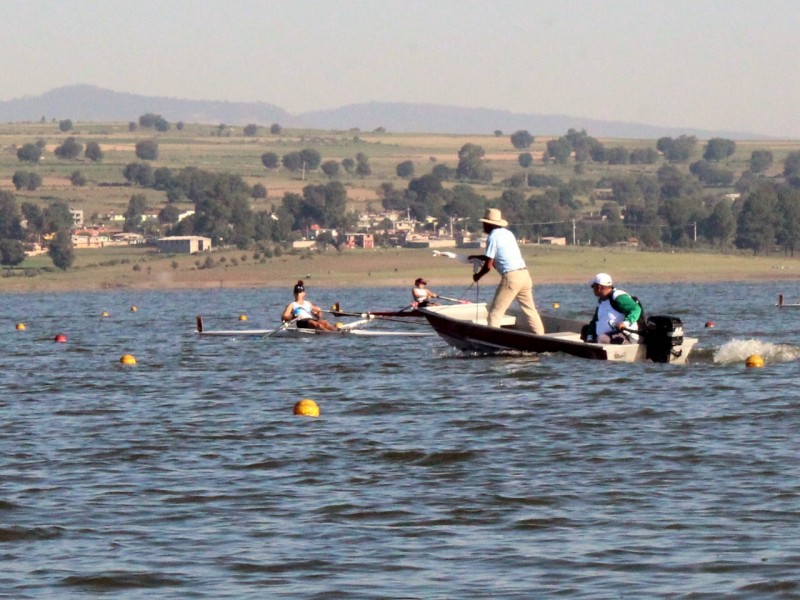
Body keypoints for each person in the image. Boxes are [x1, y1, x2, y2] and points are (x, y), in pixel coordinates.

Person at [467, 208, 545, 334]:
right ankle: (542, 338)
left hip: (511, 278)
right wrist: (477, 257)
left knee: (494, 314)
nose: (483, 226)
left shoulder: (492, 237)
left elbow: (488, 265)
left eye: (484, 223)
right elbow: (498, 257)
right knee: (530, 310)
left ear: (488, 224)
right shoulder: (508, 234)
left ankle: (493, 341)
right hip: (524, 275)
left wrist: (478, 276)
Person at [584, 272, 641, 344]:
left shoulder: (618, 296)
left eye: (593, 286)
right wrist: (590, 337)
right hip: (608, 336)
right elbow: (594, 321)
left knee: (602, 339)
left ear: (599, 287)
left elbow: (636, 309)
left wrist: (625, 323)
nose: (592, 289)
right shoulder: (601, 301)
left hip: (627, 336)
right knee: (586, 331)